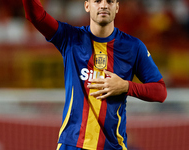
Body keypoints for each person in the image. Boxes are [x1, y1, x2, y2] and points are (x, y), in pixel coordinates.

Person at [22, 0, 167, 150]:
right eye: (97, 1)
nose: (103, 5)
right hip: (72, 144)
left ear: (117, 7)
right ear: (87, 5)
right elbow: (36, 16)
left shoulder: (133, 47)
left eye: (110, 1)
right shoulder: (70, 38)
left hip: (112, 146)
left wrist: (125, 86)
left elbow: (160, 92)